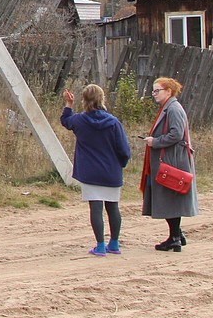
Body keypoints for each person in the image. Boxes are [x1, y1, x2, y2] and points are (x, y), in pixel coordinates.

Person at [61, 84, 132, 255]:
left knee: (96, 208)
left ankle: (100, 245)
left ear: (84, 100)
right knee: (113, 207)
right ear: (102, 99)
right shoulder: (114, 122)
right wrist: (121, 164)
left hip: (90, 172)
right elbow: (124, 150)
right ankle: (114, 244)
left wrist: (69, 105)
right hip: (111, 171)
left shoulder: (79, 120)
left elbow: (65, 121)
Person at [141, 76, 198, 251]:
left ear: (168, 91)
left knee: (170, 199)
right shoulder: (169, 108)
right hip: (170, 160)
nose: (154, 94)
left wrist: (155, 142)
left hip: (172, 162)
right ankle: (177, 234)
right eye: (153, 91)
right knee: (168, 198)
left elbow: (176, 134)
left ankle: (174, 237)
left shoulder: (173, 109)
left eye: (157, 91)